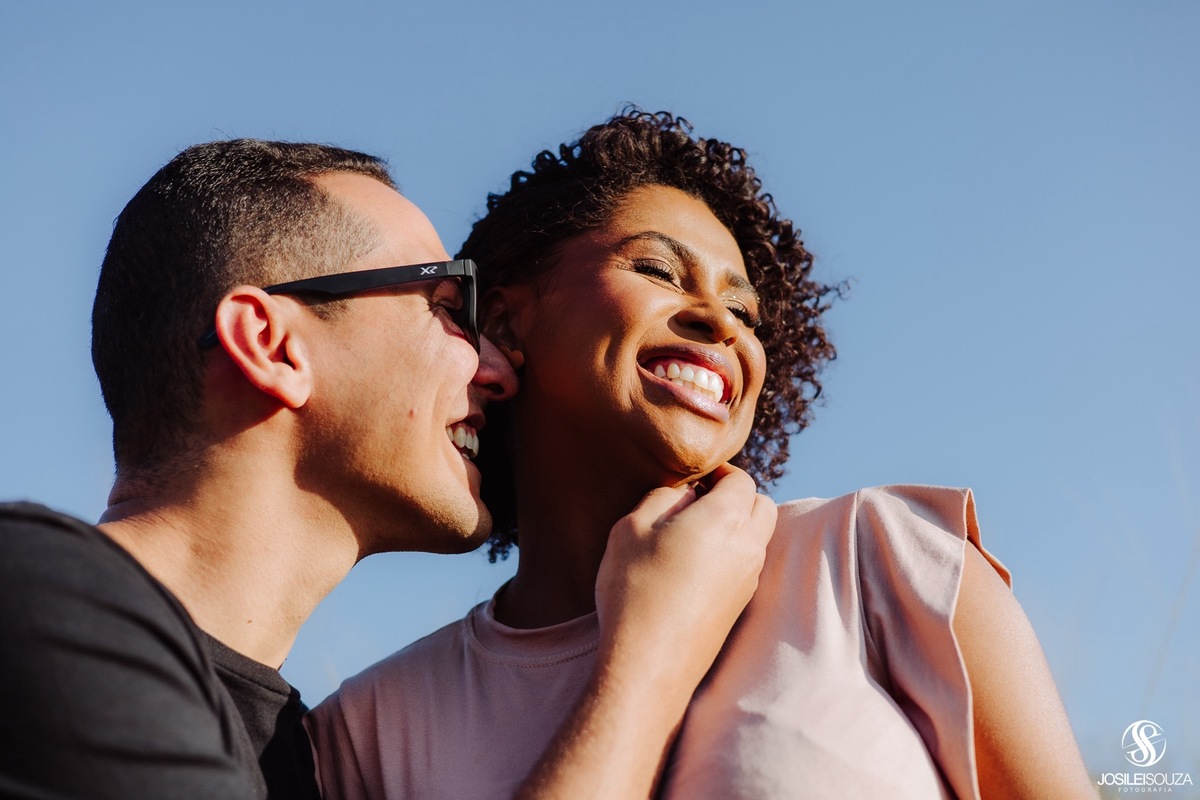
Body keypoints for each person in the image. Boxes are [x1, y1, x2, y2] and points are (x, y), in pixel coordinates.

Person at [308, 111, 1099, 799]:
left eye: (744, 312)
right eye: (656, 270)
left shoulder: (881, 560)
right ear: (508, 326)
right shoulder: (364, 734)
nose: (721, 324)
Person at [0, 139, 778, 799]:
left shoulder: (303, 762)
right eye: (445, 307)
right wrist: (650, 656)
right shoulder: (34, 602)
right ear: (272, 347)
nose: (496, 369)